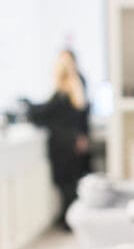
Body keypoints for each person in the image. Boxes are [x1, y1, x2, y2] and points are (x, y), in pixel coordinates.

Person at [25, 49, 91, 227]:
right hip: (66, 142)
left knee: (69, 183)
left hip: (67, 143)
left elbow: (77, 114)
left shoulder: (73, 84)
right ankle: (68, 218)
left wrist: (83, 136)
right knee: (67, 183)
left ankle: (71, 220)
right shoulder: (66, 85)